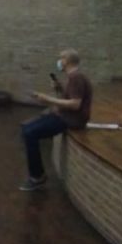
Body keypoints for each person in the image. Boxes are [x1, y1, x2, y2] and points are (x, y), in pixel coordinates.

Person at [20, 49, 93, 191]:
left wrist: (47, 99)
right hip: (65, 116)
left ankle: (37, 177)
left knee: (30, 133)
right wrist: (59, 89)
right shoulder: (73, 77)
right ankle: (37, 174)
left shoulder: (77, 78)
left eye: (61, 58)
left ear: (67, 61)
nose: (59, 61)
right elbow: (68, 99)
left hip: (71, 120)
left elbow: (75, 104)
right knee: (26, 129)